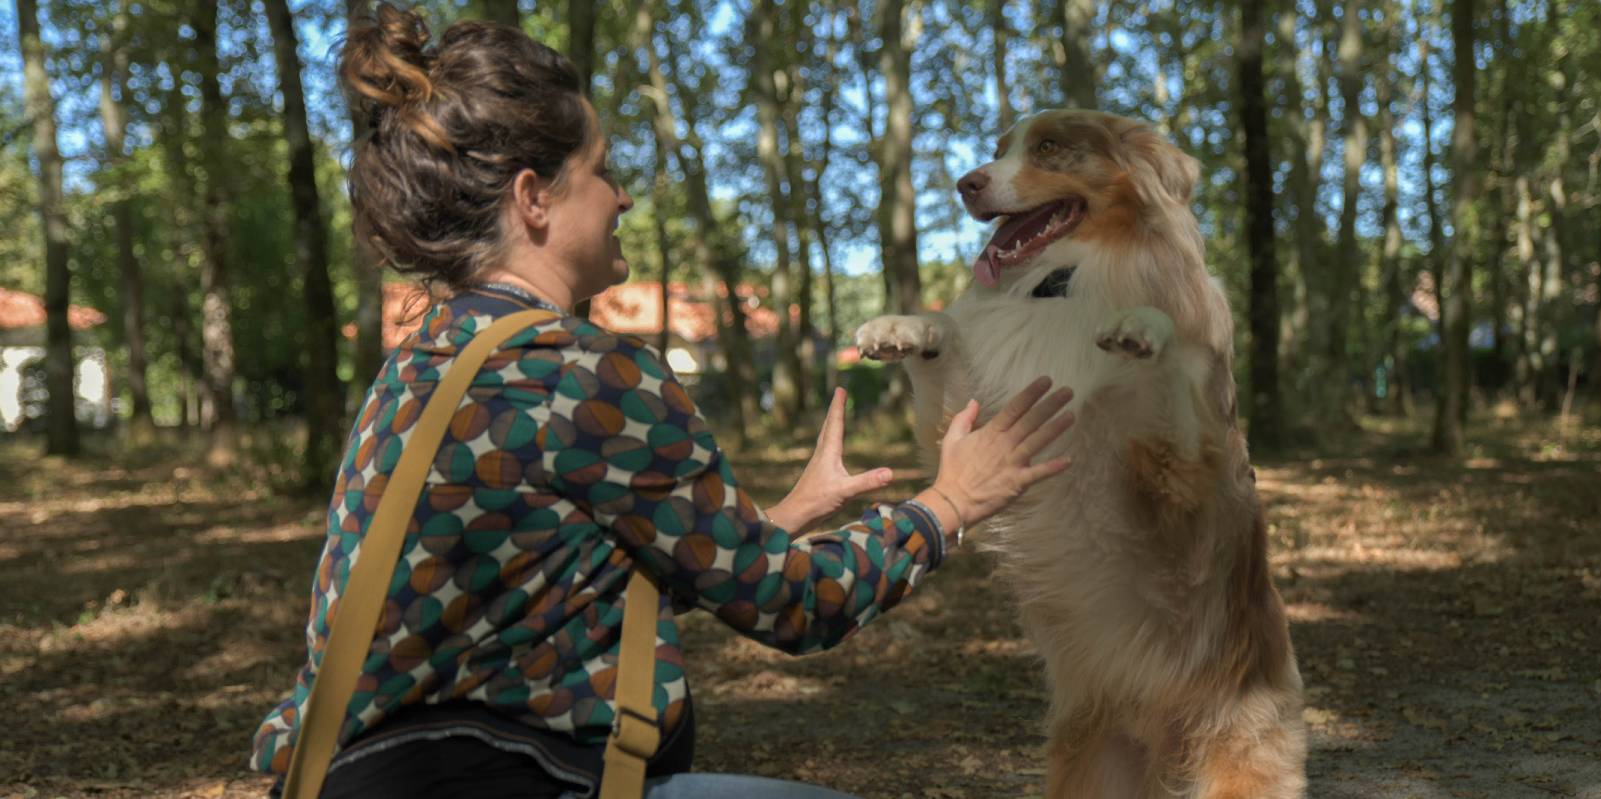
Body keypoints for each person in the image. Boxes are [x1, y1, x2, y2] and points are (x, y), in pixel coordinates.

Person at [248, 5, 1076, 797]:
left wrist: (773, 520)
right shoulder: (590, 374)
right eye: (602, 170)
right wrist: (951, 502)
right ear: (532, 198)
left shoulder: (413, 373)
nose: (623, 197)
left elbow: (540, 588)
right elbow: (796, 607)